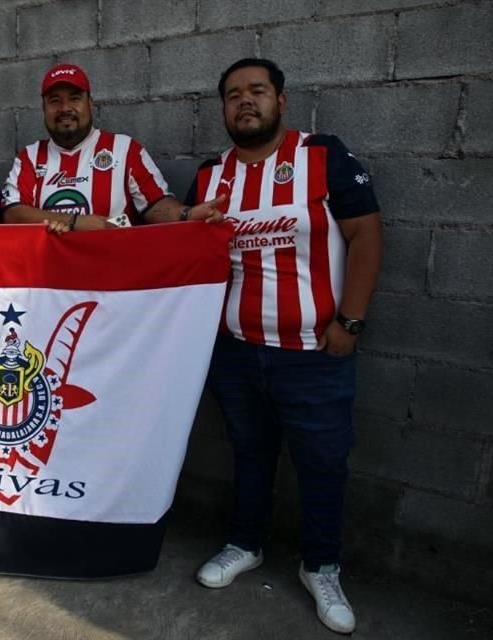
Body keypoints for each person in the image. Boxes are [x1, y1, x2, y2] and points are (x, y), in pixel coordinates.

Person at [189, 58, 382, 635]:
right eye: (232, 95)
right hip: (236, 350)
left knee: (322, 462)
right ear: (222, 108)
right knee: (249, 451)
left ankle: (321, 566)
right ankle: (245, 544)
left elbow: (366, 233)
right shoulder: (209, 175)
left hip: (313, 353)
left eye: (257, 92)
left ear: (282, 101)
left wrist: (351, 320)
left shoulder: (322, 157)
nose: (244, 102)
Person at [2, 63, 225, 232]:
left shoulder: (124, 150)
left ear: (90, 104)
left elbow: (156, 205)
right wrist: (75, 222)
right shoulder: (30, 157)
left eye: (74, 98)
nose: (65, 108)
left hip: (114, 280)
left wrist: (188, 214)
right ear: (44, 109)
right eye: (54, 101)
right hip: (52, 283)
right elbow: (12, 214)